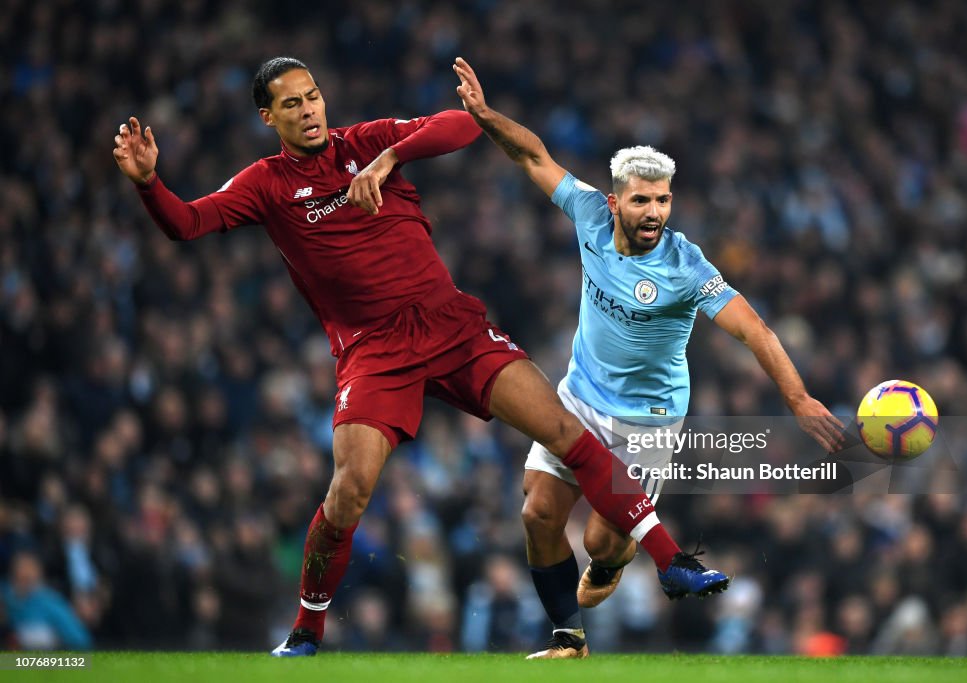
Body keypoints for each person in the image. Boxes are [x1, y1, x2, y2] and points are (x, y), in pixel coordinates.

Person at [113, 56, 741, 657]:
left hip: (451, 327)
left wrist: (390, 157)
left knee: (565, 431)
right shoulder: (267, 184)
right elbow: (187, 224)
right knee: (349, 492)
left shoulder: (367, 141)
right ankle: (306, 630)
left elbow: (462, 124)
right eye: (290, 105)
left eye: (312, 97)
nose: (308, 111)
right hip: (372, 352)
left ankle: (672, 562)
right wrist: (149, 184)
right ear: (267, 118)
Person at [452, 56, 844, 659]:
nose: (655, 213)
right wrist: (483, 116)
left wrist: (797, 399)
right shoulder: (585, 212)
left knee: (603, 541)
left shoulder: (687, 266)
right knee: (535, 515)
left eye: (663, 201)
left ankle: (612, 565)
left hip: (648, 421)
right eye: (641, 201)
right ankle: (568, 639)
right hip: (579, 398)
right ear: (614, 202)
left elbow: (756, 331)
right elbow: (533, 156)